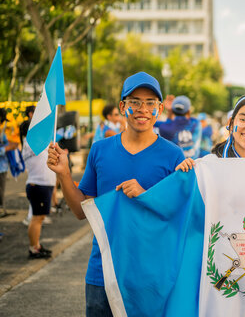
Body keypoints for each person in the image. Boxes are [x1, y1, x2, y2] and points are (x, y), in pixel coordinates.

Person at [47, 71, 185, 317]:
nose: (143, 109)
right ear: (123, 106)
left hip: (151, 277)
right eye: (134, 102)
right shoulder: (100, 150)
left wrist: (146, 195)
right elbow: (81, 211)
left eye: (150, 103)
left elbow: (178, 217)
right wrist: (64, 175)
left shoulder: (174, 156)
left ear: (160, 108)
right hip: (103, 274)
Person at [22, 135, 56, 258]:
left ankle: (36, 245)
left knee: (39, 218)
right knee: (37, 218)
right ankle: (34, 248)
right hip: (38, 185)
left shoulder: (30, 144)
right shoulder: (32, 143)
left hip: (40, 185)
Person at [0, 108, 18, 216]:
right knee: (1, 189)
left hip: (3, 165)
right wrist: (7, 148)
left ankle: (2, 209)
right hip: (1, 166)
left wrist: (10, 144)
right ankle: (1, 210)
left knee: (2, 188)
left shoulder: (2, 130)